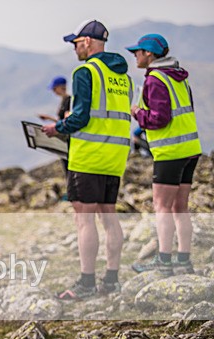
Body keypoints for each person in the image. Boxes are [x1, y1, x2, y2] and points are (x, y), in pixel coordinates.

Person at [42, 20, 131, 300]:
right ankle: (112, 280)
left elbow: (81, 117)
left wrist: (57, 128)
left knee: (85, 220)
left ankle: (87, 283)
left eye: (77, 43)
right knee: (109, 216)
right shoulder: (123, 77)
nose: (74, 48)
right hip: (115, 157)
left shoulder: (85, 71)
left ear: (89, 43)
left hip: (89, 156)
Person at [127, 34, 202, 275]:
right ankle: (184, 260)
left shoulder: (155, 79)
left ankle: (164, 261)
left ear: (148, 54)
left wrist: (138, 113)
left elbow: (159, 118)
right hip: (190, 149)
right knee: (180, 207)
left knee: (162, 206)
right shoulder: (179, 77)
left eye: (137, 52)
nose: (135, 56)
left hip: (170, 152)